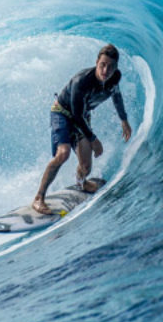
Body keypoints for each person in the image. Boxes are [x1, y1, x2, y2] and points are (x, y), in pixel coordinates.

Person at [32, 44, 133, 215]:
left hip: (81, 117)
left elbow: (116, 95)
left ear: (116, 68)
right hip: (63, 113)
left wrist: (124, 120)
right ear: (96, 62)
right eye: (102, 65)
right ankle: (39, 198)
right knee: (63, 153)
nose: (105, 70)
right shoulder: (82, 81)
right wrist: (93, 139)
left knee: (86, 165)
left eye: (110, 67)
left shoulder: (115, 78)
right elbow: (76, 115)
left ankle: (81, 182)